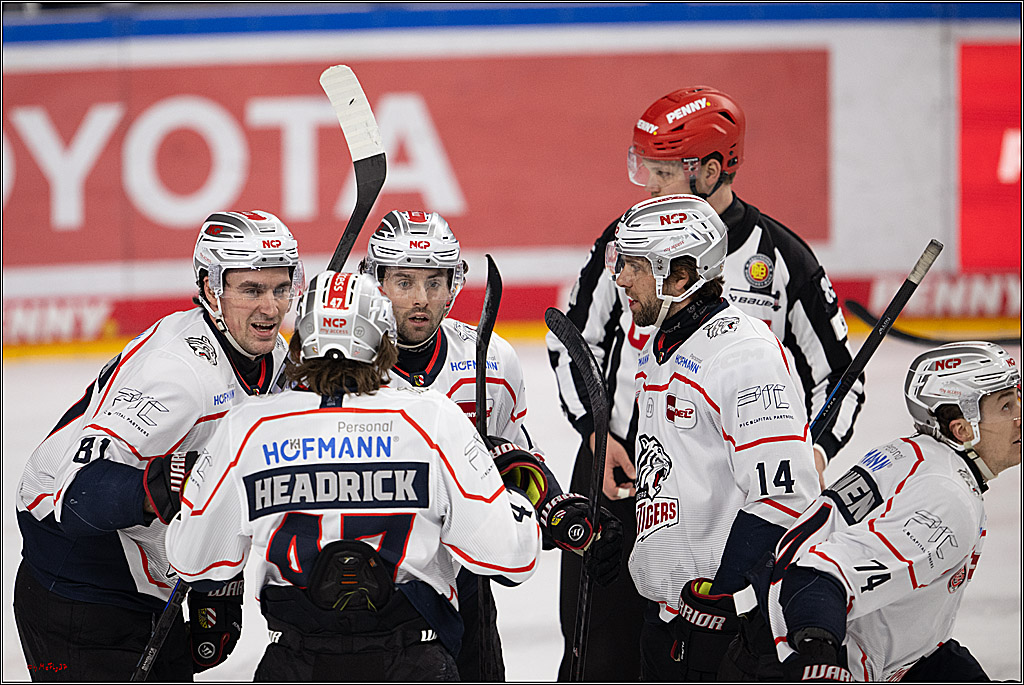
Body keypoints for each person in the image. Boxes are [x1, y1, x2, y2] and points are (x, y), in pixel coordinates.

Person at [546, 85, 864, 680]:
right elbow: (572, 339)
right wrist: (596, 433)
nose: (647, 187)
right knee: (597, 654)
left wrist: (814, 451)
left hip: (725, 488)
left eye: (663, 172)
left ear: (712, 169)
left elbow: (840, 378)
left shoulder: (781, 258)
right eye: (646, 169)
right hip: (618, 473)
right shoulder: (628, 240)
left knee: (709, 651)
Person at [165, 269, 543, 681]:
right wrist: (517, 495)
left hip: (297, 663)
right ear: (384, 341)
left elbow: (195, 562)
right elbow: (511, 559)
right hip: (411, 662)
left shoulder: (247, 427)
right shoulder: (434, 419)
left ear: (301, 341)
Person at [13, 210, 303, 681]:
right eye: (252, 290)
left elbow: (227, 488)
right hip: (79, 590)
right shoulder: (175, 373)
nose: (270, 308)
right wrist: (160, 483)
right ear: (213, 290)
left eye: (279, 288)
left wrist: (217, 583)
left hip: (149, 583)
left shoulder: (271, 359)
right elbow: (77, 492)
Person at [359, 209, 622, 681]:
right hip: (365, 589)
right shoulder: (343, 368)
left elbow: (517, 465)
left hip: (466, 590)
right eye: (404, 282)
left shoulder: (491, 360)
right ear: (375, 282)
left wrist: (560, 511)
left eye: (435, 282)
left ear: (454, 284)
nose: (422, 299)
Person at [607, 193, 820, 680]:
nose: (620, 279)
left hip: (728, 633)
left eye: (635, 266)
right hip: (668, 624)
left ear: (680, 277)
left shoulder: (744, 356)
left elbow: (785, 497)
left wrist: (721, 595)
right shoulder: (662, 344)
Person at [720, 340, 1021, 682]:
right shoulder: (949, 499)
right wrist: (819, 659)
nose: (1019, 416)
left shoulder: (913, 453)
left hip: (780, 637)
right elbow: (817, 576)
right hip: (789, 658)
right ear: (962, 429)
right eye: (1006, 405)